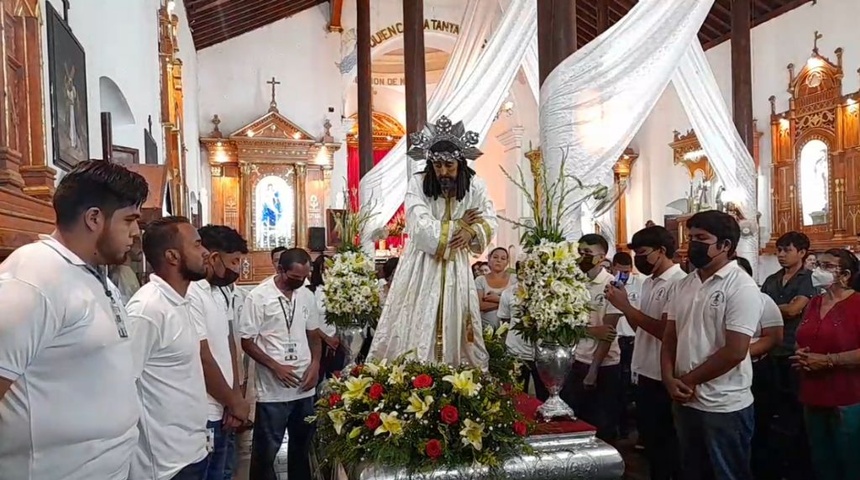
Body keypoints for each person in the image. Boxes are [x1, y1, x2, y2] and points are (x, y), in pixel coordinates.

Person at [0, 160, 148, 480]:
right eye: (130, 220)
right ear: (94, 218)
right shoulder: (33, 279)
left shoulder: (94, 275)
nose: (136, 233)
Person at [368, 116, 495, 368]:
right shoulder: (419, 182)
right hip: (421, 264)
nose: (443, 172)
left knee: (456, 314)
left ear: (459, 162)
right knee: (415, 314)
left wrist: (473, 232)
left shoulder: (475, 185)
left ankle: (458, 371)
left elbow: (489, 217)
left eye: (449, 165)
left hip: (457, 264)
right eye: (437, 166)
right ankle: (415, 370)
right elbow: (418, 222)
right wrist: (461, 225)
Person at [661, 210, 761, 480]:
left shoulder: (741, 287)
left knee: (727, 473)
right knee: (693, 471)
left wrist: (688, 380)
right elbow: (670, 335)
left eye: (701, 238)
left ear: (725, 245)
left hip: (723, 404)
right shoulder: (684, 284)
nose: (692, 244)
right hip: (684, 399)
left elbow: (735, 351)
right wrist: (669, 379)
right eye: (691, 237)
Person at [126, 216, 211, 479]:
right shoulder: (148, 310)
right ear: (173, 256)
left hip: (193, 449)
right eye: (197, 245)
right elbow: (122, 384)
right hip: (165, 464)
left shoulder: (179, 301)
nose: (206, 252)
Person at [605, 226, 686, 479]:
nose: (639, 260)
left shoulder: (678, 282)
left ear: (661, 251)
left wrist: (626, 306)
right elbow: (639, 326)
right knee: (651, 445)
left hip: (664, 375)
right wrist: (624, 306)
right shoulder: (650, 282)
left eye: (643, 253)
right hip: (645, 370)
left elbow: (664, 331)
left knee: (667, 448)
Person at [239, 248, 322, 480]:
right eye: (295, 277)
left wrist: (315, 365)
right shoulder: (259, 297)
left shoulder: (305, 294)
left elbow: (314, 334)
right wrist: (276, 366)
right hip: (273, 390)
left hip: (304, 386)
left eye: (304, 277)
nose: (301, 282)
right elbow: (247, 342)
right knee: (266, 452)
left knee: (303, 447)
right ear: (279, 269)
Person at [187, 225, 251, 479]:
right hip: (205, 410)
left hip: (224, 404)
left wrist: (236, 397)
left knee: (225, 472)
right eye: (234, 261)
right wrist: (233, 401)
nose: (237, 269)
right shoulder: (193, 294)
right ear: (214, 258)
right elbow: (203, 355)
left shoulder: (217, 293)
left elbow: (228, 345)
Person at [792, 249, 860, 480]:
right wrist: (801, 354)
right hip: (812, 393)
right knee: (821, 461)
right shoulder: (814, 303)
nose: (817, 270)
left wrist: (828, 361)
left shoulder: (857, 304)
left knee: (849, 461)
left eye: (827, 266)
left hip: (847, 396)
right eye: (817, 264)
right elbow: (803, 336)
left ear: (845, 274)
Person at [759, 231, 816, 480]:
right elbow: (758, 307)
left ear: (802, 252)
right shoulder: (772, 279)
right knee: (772, 405)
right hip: (770, 349)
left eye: (787, 250)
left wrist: (773, 308)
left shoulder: (808, 279)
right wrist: (774, 309)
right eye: (779, 250)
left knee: (796, 406)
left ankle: (798, 462)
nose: (781, 255)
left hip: (794, 349)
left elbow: (795, 310)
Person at [561, 233, 623, 443]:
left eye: (588, 253)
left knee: (602, 423)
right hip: (576, 358)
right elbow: (566, 323)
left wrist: (593, 371)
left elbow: (607, 332)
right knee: (577, 418)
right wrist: (588, 331)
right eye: (580, 252)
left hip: (603, 364)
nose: (582, 257)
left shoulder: (611, 285)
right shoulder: (574, 282)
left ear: (602, 256)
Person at [736, 256, 784, 480]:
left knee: (759, 424)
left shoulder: (762, 300)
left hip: (756, 368)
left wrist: (739, 355)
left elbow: (773, 337)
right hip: (723, 371)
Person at [497, 262, 548, 400]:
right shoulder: (508, 294)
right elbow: (504, 321)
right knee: (517, 394)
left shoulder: (545, 293)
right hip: (516, 350)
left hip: (540, 352)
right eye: (523, 271)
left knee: (544, 393)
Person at [607, 251, 643, 439]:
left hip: (633, 339)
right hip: (615, 339)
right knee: (617, 385)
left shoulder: (640, 284)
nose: (623, 275)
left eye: (626, 272)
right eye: (620, 271)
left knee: (633, 383)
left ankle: (633, 424)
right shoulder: (609, 285)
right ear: (613, 269)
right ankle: (619, 426)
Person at [309, 254, 342, 380]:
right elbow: (309, 321)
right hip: (318, 340)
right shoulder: (311, 291)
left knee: (335, 378)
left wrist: (337, 337)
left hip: (337, 341)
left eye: (331, 269)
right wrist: (326, 338)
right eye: (324, 269)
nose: (328, 273)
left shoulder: (339, 291)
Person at [475, 247, 514, 329]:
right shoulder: (480, 280)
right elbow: (480, 306)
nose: (498, 260)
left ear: (507, 262)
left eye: (503, 258)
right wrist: (506, 302)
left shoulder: (514, 279)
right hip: (486, 328)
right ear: (489, 259)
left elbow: (518, 303)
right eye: (495, 257)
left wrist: (497, 299)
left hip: (510, 327)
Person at [110, 236, 143, 304]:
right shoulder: (122, 273)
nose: (141, 249)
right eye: (138, 244)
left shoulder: (126, 271)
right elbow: (125, 303)